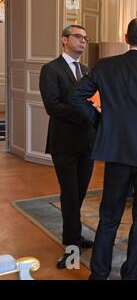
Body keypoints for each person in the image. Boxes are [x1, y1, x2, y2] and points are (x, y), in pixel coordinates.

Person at [69, 18, 137, 280]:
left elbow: (75, 96)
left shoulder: (105, 66)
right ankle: (132, 275)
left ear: (126, 38)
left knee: (109, 216)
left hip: (116, 155)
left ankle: (99, 273)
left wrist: (100, 121)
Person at [39, 25, 97, 269]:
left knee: (80, 193)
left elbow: (94, 100)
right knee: (70, 195)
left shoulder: (86, 70)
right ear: (64, 40)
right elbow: (53, 106)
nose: (83, 41)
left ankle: (73, 235)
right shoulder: (51, 69)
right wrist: (86, 111)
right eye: (78, 37)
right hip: (63, 142)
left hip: (87, 141)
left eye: (85, 38)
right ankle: (71, 243)